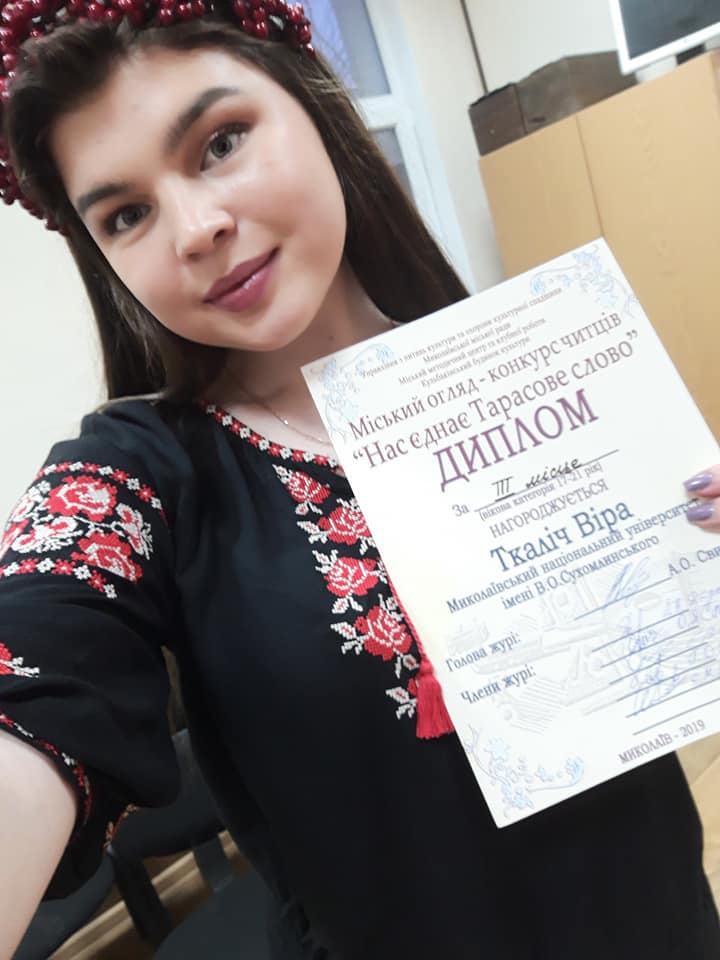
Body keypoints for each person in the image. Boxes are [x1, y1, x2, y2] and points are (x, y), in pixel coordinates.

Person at [0, 2, 719, 957]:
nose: (196, 229)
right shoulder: (139, 474)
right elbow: (44, 647)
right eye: (126, 215)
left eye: (221, 143)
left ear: (314, 107)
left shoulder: (527, 369)